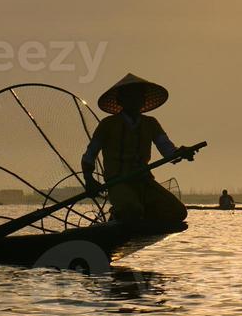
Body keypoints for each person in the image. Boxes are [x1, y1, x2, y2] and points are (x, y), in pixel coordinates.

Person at [81, 73, 189, 228]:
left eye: (139, 96)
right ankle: (118, 215)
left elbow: (168, 150)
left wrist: (180, 153)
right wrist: (89, 179)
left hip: (144, 180)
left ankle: (138, 216)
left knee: (178, 212)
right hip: (117, 181)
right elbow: (90, 154)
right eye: (130, 96)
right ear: (121, 100)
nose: (136, 99)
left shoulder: (151, 123)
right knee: (131, 210)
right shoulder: (108, 124)